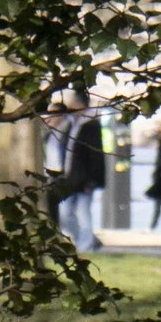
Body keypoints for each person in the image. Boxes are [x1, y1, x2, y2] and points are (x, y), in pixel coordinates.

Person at [47, 91, 105, 252]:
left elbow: (95, 155)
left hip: (84, 179)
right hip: (70, 178)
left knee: (83, 213)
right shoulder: (73, 125)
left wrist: (92, 180)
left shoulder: (90, 125)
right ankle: (86, 239)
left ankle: (86, 246)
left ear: (79, 105)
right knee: (65, 213)